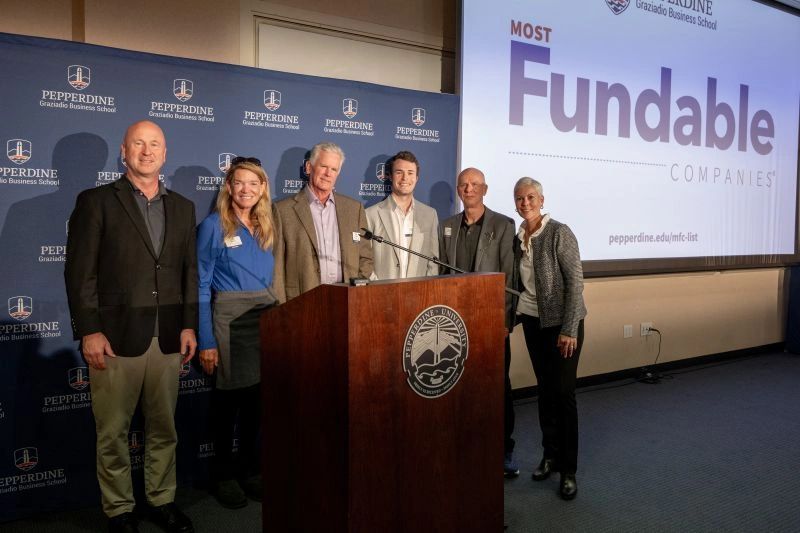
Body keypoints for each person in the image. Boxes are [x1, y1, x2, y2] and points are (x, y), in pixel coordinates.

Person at [64, 120, 197, 533]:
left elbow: (189, 273)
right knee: (113, 431)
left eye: (154, 144)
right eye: (138, 143)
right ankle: (119, 510)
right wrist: (89, 330)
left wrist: (189, 326)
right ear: (123, 152)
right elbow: (79, 273)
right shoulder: (96, 201)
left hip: (168, 336)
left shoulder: (183, 207)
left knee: (164, 428)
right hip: (114, 338)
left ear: (165, 153)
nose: (147, 151)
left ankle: (161, 500)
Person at [196, 157, 285, 509]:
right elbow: (201, 286)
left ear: (262, 188)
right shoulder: (213, 226)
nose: (246, 189)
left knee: (256, 404)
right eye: (239, 182)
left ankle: (249, 471)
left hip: (264, 317)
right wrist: (206, 341)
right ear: (229, 187)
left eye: (253, 183)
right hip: (229, 320)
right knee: (227, 405)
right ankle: (223, 475)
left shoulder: (266, 224)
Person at [438, 167, 518, 477]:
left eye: (474, 184)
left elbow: (508, 277)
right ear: (458, 190)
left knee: (498, 386)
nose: (468, 189)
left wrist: (504, 321)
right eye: (463, 185)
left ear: (484, 190)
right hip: (455, 322)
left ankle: (504, 449)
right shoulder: (447, 226)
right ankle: (465, 446)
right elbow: (442, 275)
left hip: (491, 320)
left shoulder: (503, 225)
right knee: (460, 385)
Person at [511, 176, 587, 501]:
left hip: (563, 326)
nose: (525, 202)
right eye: (520, 198)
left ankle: (568, 470)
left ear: (542, 200)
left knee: (564, 394)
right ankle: (550, 456)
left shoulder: (559, 232)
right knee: (545, 391)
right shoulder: (518, 238)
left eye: (531, 197)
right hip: (532, 322)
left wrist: (569, 329)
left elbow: (576, 282)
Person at [275, 141, 372, 299]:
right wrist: (282, 308)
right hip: (302, 301)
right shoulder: (283, 211)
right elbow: (277, 268)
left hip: (346, 300)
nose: (328, 174)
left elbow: (365, 257)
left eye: (334, 169)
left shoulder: (354, 209)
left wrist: (356, 291)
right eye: (324, 166)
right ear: (308, 167)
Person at [365, 150, 439, 279]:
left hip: (419, 289)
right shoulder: (370, 214)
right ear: (390, 176)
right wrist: (377, 287)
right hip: (382, 289)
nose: (405, 178)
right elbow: (365, 260)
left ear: (416, 178)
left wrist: (426, 287)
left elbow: (433, 261)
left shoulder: (430, 215)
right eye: (399, 172)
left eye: (410, 173)